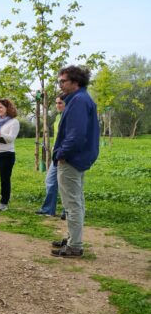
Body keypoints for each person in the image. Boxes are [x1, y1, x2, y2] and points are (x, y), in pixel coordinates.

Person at [51, 65, 100, 258]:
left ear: (75, 82)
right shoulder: (80, 99)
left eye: (63, 81)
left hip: (72, 159)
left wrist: (61, 153)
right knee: (76, 201)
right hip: (78, 158)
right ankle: (72, 239)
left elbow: (76, 135)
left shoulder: (78, 101)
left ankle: (75, 246)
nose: (60, 84)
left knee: (72, 204)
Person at [36, 94, 67, 219]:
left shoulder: (70, 117)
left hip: (65, 155)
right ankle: (49, 209)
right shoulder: (58, 118)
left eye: (60, 103)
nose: (57, 105)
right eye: (56, 103)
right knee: (50, 181)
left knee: (66, 184)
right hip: (56, 154)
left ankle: (68, 212)